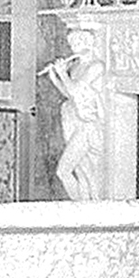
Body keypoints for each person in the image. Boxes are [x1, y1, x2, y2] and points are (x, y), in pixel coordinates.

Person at [46, 45, 106, 200]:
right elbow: (70, 95)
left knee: (64, 171)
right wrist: (55, 78)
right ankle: (87, 207)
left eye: (80, 41)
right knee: (83, 173)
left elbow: (76, 90)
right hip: (74, 122)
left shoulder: (96, 66)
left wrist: (62, 73)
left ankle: (81, 207)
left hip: (88, 127)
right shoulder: (77, 66)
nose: (76, 46)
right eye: (74, 42)